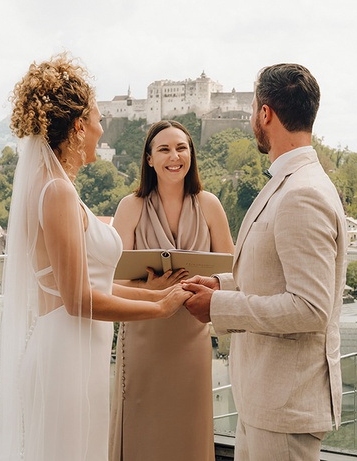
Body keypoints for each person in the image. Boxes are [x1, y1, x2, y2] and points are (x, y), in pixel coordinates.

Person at [0, 53, 192, 461]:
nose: (103, 130)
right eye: (99, 120)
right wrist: (160, 309)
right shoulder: (58, 192)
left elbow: (87, 283)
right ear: (80, 125)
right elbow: (78, 298)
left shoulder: (53, 187)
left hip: (74, 353)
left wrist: (149, 291)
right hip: (66, 359)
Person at [183, 63, 347, 461]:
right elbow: (273, 277)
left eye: (254, 106)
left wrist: (219, 307)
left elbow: (309, 308)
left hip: (285, 407)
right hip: (267, 401)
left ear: (265, 114)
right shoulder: (291, 181)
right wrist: (223, 284)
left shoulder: (302, 193)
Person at [109, 120, 234, 460]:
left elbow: (232, 271)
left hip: (192, 335)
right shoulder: (130, 207)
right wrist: (150, 288)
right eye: (163, 149)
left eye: (181, 148)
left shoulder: (210, 205)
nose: (174, 156)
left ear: (191, 155)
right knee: (142, 428)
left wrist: (210, 285)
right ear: (149, 159)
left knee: (188, 431)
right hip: (142, 334)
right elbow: (112, 282)